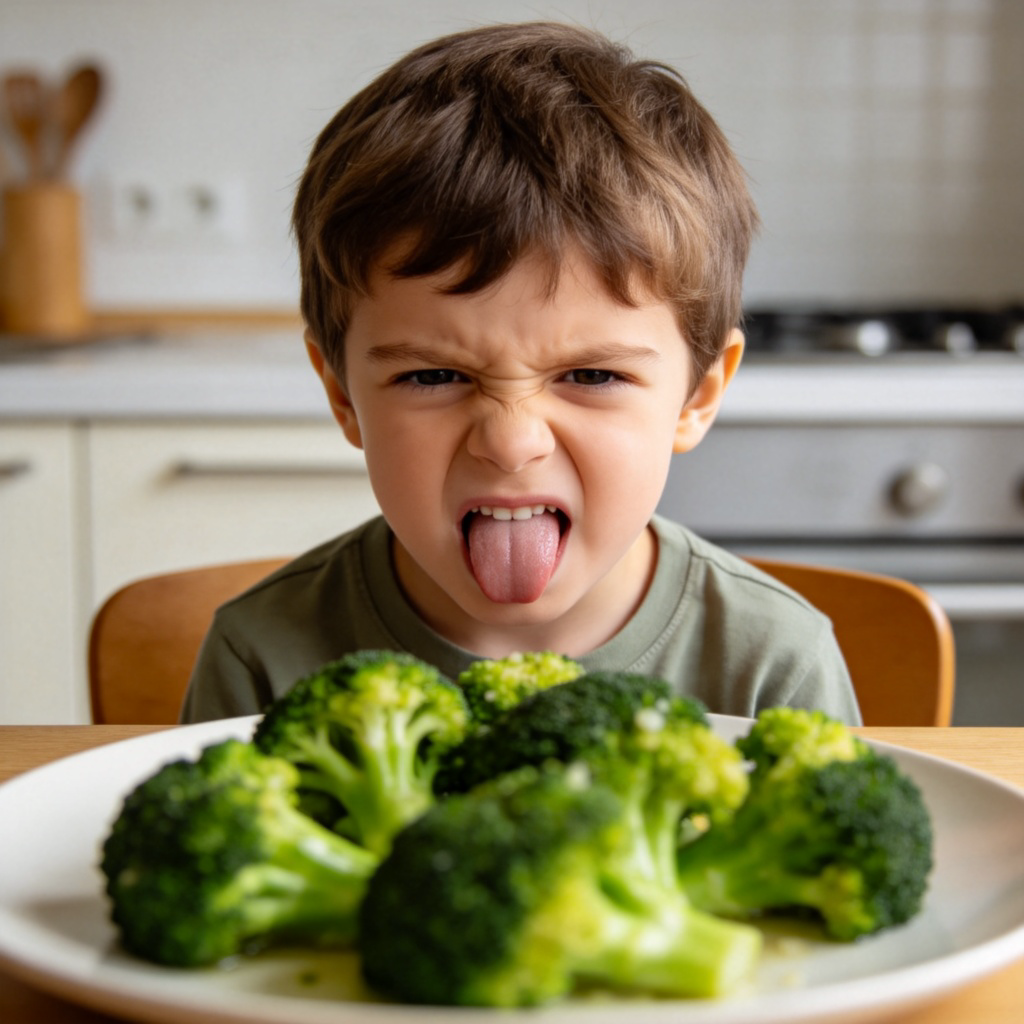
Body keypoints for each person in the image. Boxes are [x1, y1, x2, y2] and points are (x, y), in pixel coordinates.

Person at [180, 21, 860, 725]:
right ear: (342, 396)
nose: (510, 442)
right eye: (433, 377)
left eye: (592, 376)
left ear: (698, 395)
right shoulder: (258, 655)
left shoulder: (773, 662)